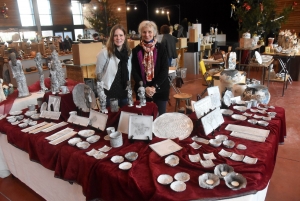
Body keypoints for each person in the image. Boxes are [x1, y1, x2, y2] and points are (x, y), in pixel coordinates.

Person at [131, 20, 170, 115]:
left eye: (149, 32)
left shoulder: (161, 48)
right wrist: (145, 88)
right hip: (142, 90)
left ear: (154, 33)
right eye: (144, 32)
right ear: (141, 33)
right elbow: (134, 71)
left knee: (161, 118)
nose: (147, 34)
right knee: (144, 119)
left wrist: (154, 87)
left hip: (160, 88)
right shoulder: (136, 50)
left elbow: (165, 70)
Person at [95, 24, 132, 108]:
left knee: (124, 118)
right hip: (110, 94)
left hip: (124, 93)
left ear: (125, 36)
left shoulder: (129, 53)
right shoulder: (104, 53)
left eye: (121, 35)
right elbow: (98, 73)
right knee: (112, 119)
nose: (118, 38)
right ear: (112, 37)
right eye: (115, 35)